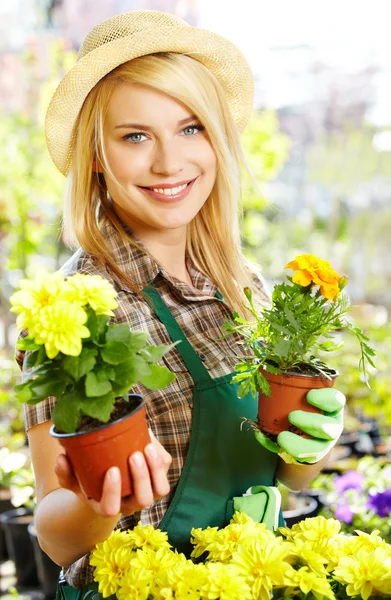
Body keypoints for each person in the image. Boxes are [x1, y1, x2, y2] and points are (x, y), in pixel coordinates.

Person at [16, 10, 345, 597]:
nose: (169, 162)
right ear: (96, 154)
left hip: (249, 578)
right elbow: (56, 537)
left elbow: (285, 475)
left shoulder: (241, 283)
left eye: (190, 128)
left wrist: (310, 446)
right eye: (135, 136)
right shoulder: (73, 309)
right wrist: (97, 504)